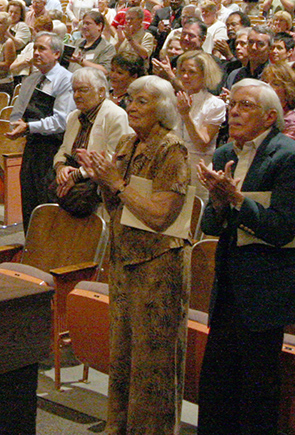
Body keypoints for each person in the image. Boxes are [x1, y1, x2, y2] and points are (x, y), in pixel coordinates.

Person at [197, 78, 295, 435]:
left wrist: (236, 200)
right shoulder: (224, 153)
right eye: (232, 105)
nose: (234, 112)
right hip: (229, 283)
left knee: (256, 389)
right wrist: (218, 202)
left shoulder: (291, 156)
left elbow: (282, 229)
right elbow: (212, 225)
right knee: (216, 384)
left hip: (267, 287)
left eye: (245, 106)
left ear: (269, 117)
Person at [78, 75, 191, 435]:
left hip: (159, 267)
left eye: (142, 101)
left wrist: (115, 182)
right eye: (129, 99)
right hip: (125, 260)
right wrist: (99, 177)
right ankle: (119, 426)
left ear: (163, 108)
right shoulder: (128, 143)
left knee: (154, 361)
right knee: (123, 355)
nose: (132, 107)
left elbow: (160, 216)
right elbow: (116, 204)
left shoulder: (171, 149)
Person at [7, 32, 75, 231]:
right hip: (32, 147)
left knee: (47, 202)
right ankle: (31, 244)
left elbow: (62, 121)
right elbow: (18, 111)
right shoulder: (31, 79)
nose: (36, 53)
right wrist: (17, 125)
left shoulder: (65, 80)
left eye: (41, 49)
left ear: (56, 53)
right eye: (34, 48)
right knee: (29, 201)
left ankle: (48, 250)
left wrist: (29, 126)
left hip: (53, 150)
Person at [53, 67, 132, 212]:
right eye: (74, 90)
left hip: (99, 183)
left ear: (101, 92)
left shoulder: (116, 116)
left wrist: (76, 175)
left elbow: (112, 158)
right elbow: (64, 149)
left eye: (83, 90)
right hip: (74, 177)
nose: (77, 95)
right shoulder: (73, 116)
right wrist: (60, 168)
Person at [173, 50, 225, 198]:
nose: (185, 76)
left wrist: (186, 115)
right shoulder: (173, 98)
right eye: (182, 71)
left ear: (205, 75)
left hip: (198, 171)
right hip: (172, 167)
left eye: (191, 72)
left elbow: (201, 143)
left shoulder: (215, 104)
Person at [260, 62, 295, 145]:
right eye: (265, 82)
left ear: (288, 91)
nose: (267, 86)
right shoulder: (257, 114)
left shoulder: (294, 122)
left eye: (275, 84)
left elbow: (282, 152)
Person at [68, 10, 115, 75]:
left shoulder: (107, 47)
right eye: (83, 23)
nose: (84, 26)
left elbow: (105, 71)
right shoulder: (76, 43)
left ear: (99, 26)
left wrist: (81, 61)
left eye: (88, 23)